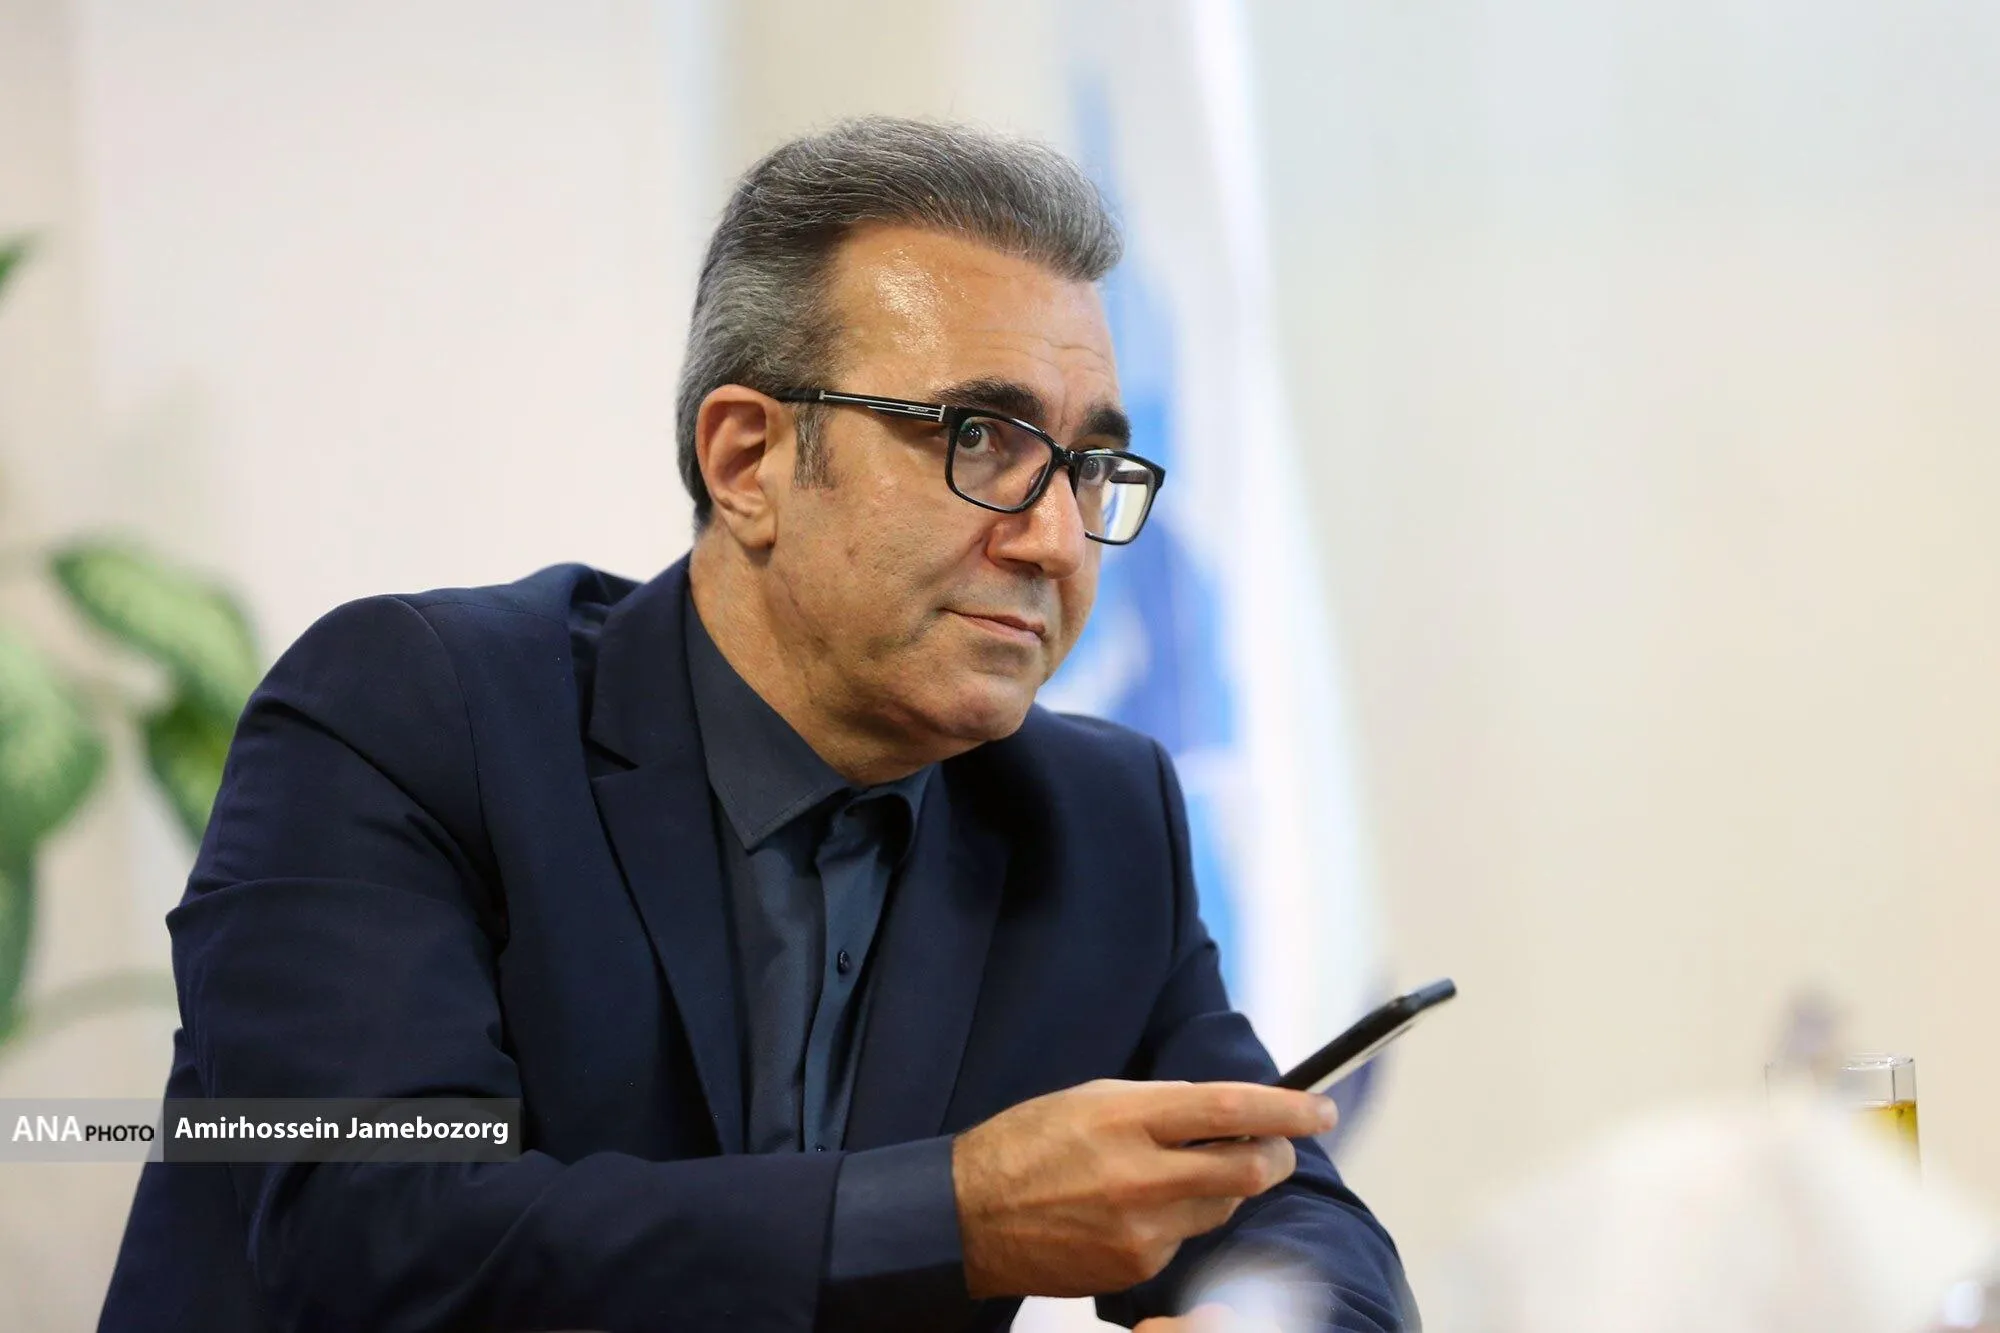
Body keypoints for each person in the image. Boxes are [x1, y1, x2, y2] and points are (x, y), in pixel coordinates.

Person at [100, 117, 1412, 1332]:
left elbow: (1288, 1213)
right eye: (981, 441)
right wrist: (951, 1213)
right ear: (747, 462)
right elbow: (376, 1232)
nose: (1056, 541)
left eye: (1087, 468)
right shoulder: (409, 714)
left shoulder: (1097, 818)